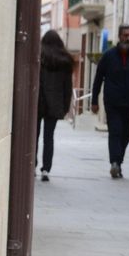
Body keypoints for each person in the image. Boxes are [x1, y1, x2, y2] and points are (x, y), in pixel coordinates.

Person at [90, 24, 129, 179]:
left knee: (125, 135)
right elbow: (98, 79)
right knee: (115, 132)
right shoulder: (108, 56)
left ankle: (118, 162)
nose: (128, 38)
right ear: (119, 36)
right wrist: (94, 101)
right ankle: (114, 163)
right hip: (112, 102)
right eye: (125, 35)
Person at [36, 30, 74, 182]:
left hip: (39, 102)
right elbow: (68, 87)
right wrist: (65, 106)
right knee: (49, 137)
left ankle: (32, 165)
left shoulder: (40, 57)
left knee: (34, 136)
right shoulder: (64, 60)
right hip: (55, 104)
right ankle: (46, 169)